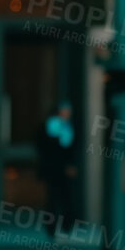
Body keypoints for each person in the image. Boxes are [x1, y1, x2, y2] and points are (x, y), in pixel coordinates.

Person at [36, 102, 77, 239]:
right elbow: (52, 149)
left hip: (59, 170)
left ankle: (64, 225)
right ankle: (54, 227)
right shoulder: (54, 126)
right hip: (55, 170)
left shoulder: (66, 127)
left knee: (62, 198)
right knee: (54, 199)